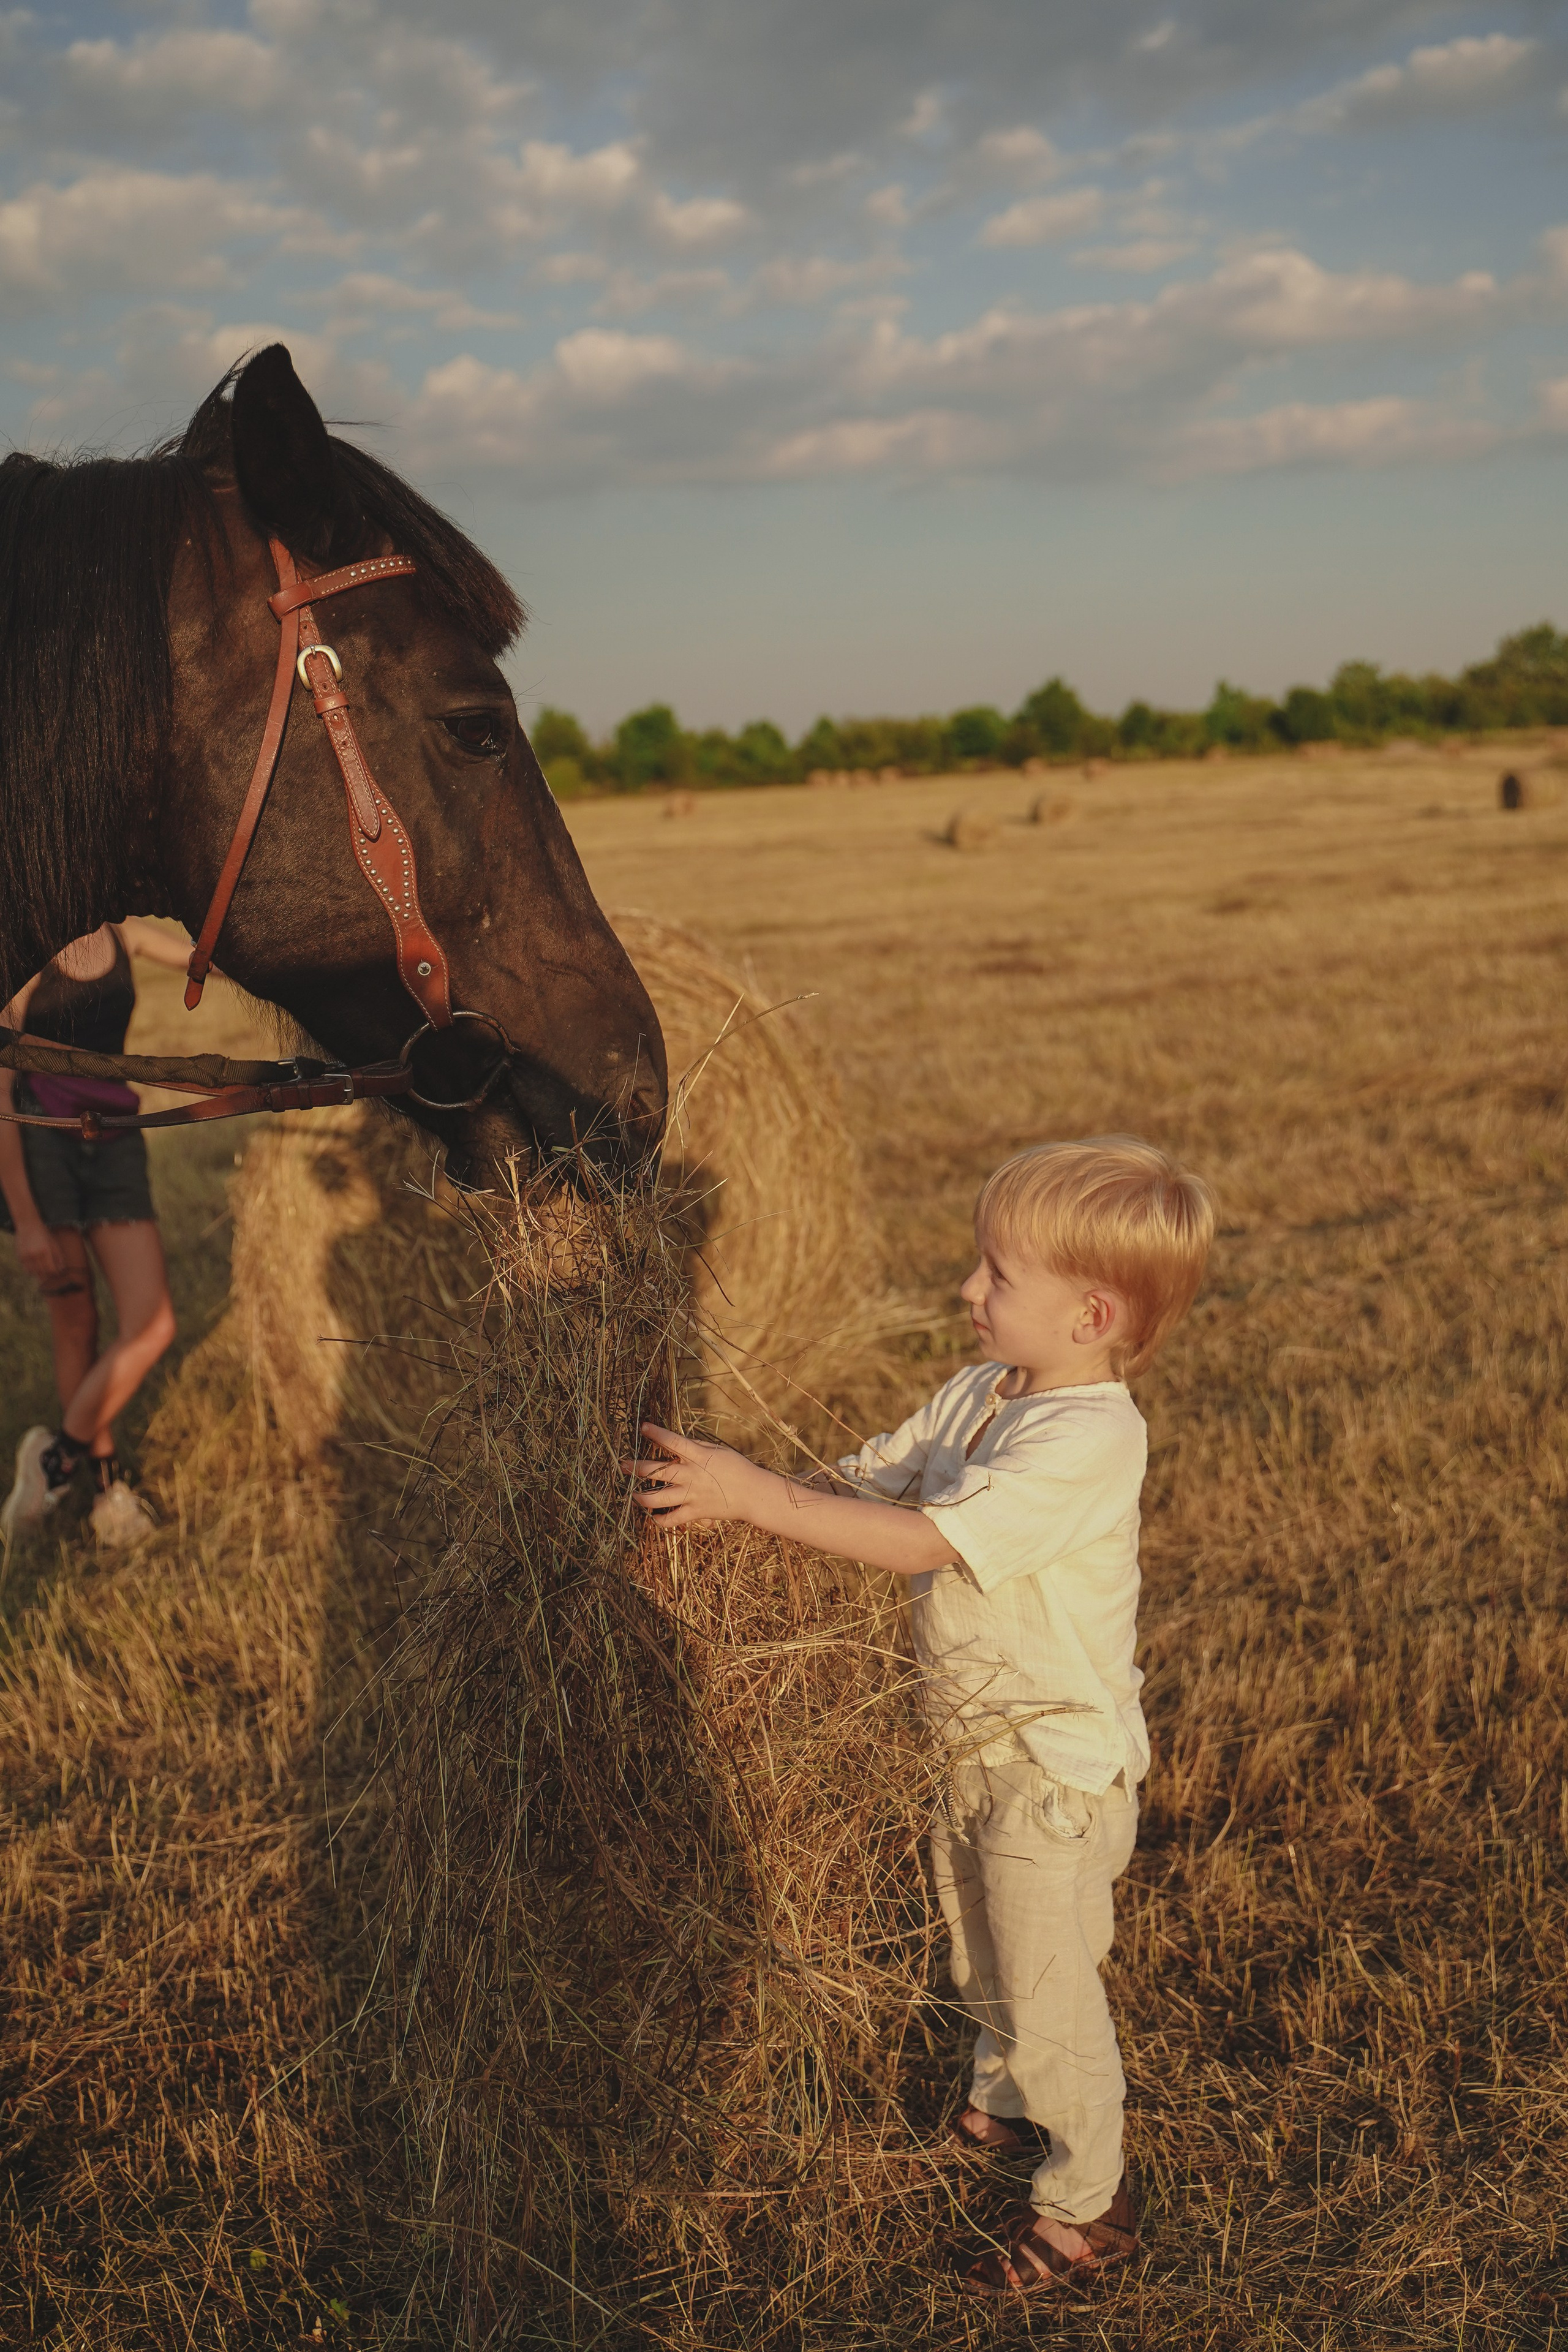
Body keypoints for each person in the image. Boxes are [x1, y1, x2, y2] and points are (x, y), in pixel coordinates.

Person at [625, 1135, 1213, 2296]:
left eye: (997, 1277)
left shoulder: (1091, 1439)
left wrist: (756, 1494)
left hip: (1054, 1770)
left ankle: (1090, 2201)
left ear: (1092, 1314)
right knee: (981, 1950)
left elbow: (924, 1539)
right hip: (970, 1746)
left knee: (1051, 1996)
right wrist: (755, 1509)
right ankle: (1003, 2100)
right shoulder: (982, 1391)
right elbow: (876, 1483)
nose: (967, 1292)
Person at [0, 921, 193, 1547]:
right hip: (42, 1140)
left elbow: (212, 957)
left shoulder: (127, 936)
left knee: (153, 1322)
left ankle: (55, 1458)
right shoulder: (24, 949)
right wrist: (27, 1220)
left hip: (114, 1137)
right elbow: (0, 1090)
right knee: (76, 1322)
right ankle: (109, 1493)